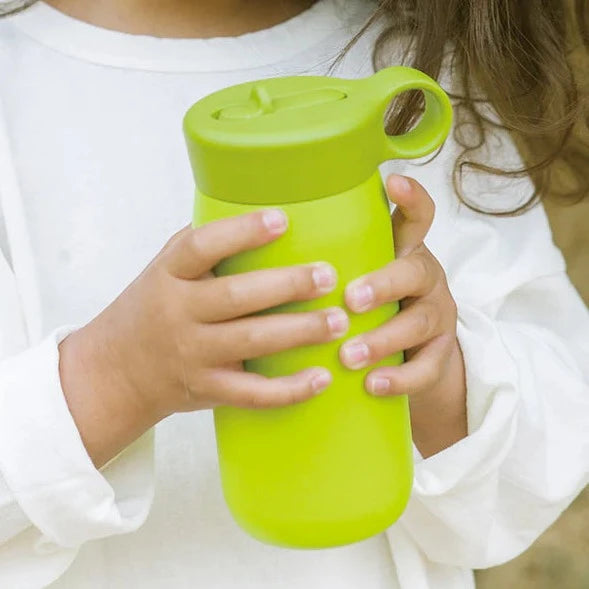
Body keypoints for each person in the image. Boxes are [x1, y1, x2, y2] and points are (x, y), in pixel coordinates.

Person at [0, 0, 587, 587]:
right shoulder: (17, 80)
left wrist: (443, 374)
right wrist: (113, 379)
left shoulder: (416, 79)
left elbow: (549, 450)